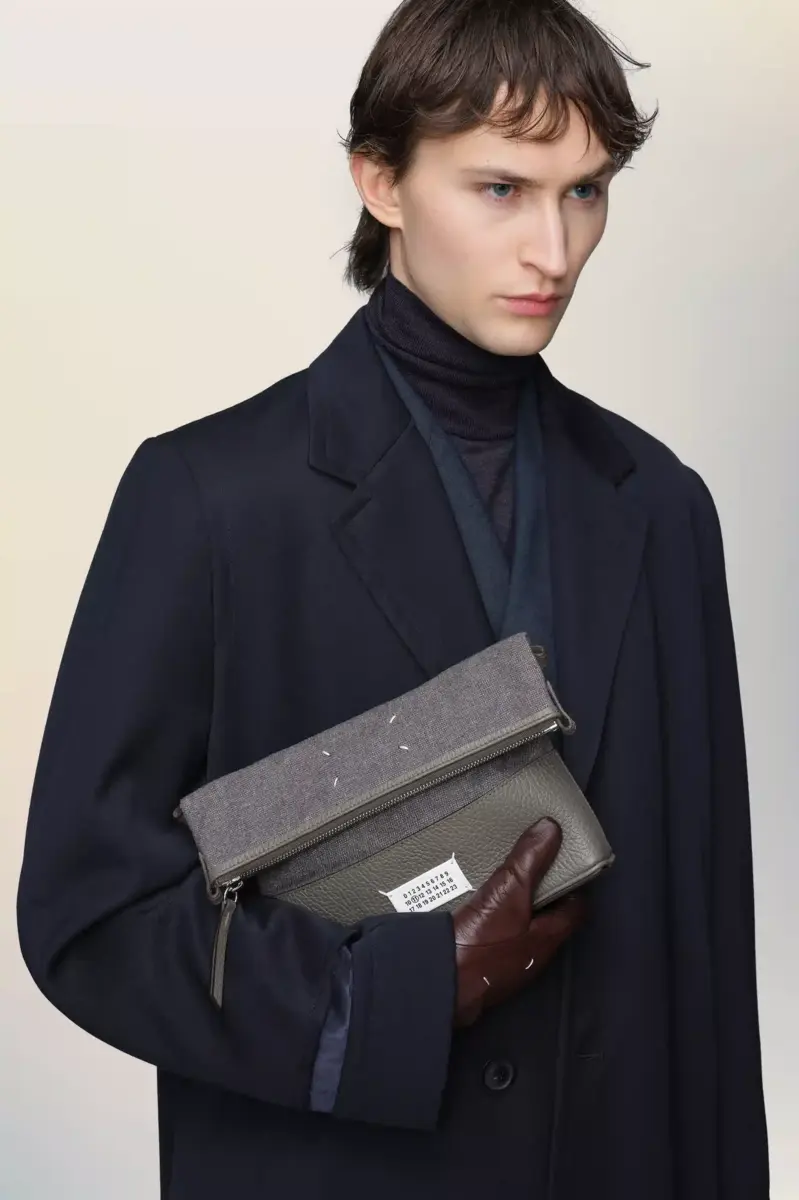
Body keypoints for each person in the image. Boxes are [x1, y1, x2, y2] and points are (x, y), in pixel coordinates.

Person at [16, 0, 770, 1197]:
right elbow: (88, 912)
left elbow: (705, 962)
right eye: (501, 189)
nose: (554, 250)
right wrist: (394, 997)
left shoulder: (662, 508)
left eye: (584, 191)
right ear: (380, 182)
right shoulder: (208, 498)